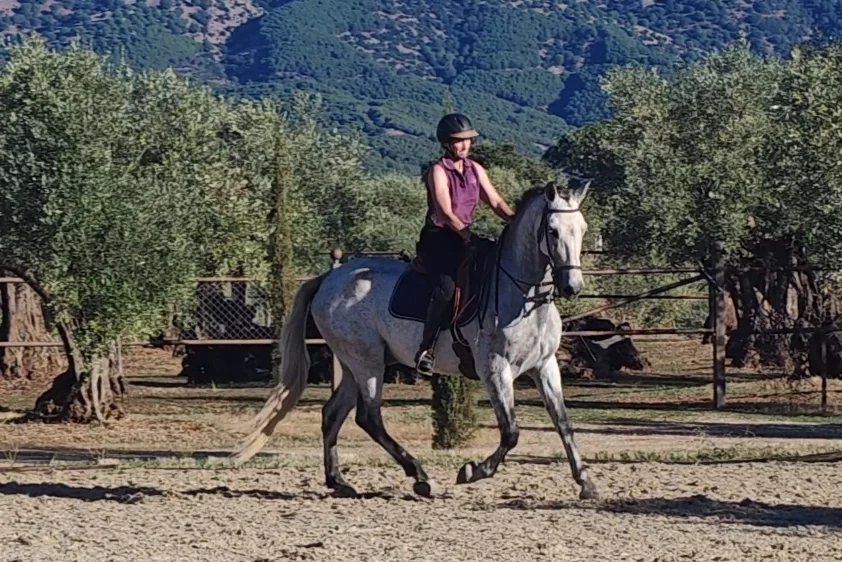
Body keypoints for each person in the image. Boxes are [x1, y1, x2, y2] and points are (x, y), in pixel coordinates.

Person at [414, 113, 516, 376]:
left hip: (464, 237)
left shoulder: (475, 169)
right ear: (446, 143)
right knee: (447, 288)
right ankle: (426, 348)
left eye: (468, 140)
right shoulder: (438, 171)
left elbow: (496, 202)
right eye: (458, 141)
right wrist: (469, 236)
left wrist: (516, 222)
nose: (464, 145)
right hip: (439, 239)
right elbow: (446, 212)